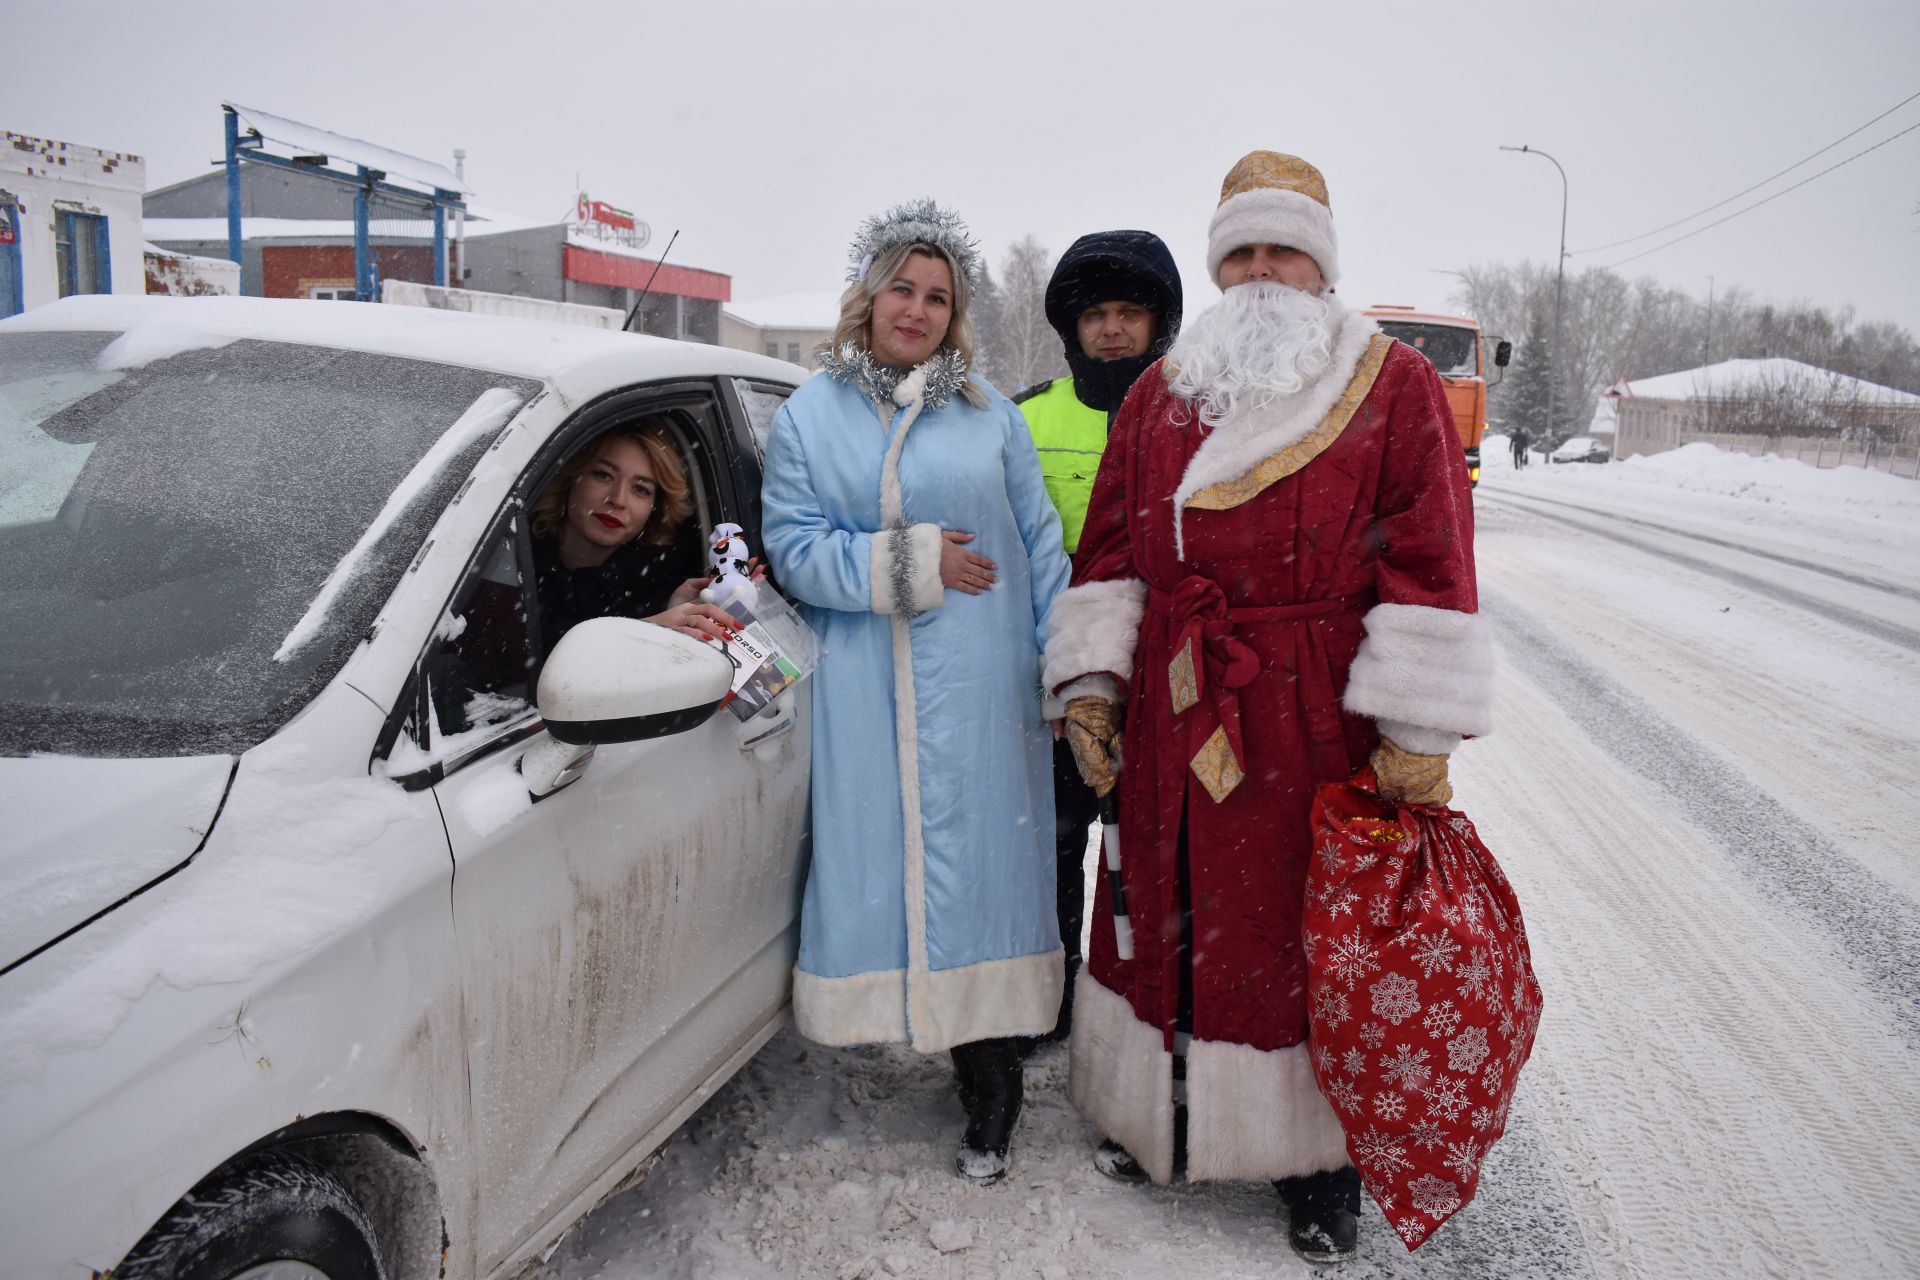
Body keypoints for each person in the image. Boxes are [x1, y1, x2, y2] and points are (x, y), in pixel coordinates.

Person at [1043, 152, 1493, 1262]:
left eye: (1281, 249)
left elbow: (1432, 564)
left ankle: (1314, 1160)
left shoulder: (1391, 387)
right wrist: (1096, 680)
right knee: (1163, 898)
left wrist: (1414, 736)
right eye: (1239, 251)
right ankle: (1158, 1105)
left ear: (1322, 265)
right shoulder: (1159, 391)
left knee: (1302, 932)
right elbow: (1109, 552)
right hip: (1174, 698)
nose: (1259, 272)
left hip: (1315, 706)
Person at [760, 198, 1073, 1185]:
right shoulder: (812, 414)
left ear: (956, 312)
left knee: (984, 874)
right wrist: (913, 561)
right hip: (866, 693)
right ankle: (902, 1022)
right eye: (903, 286)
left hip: (985, 695)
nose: (919, 307)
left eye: (938, 295)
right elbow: (795, 551)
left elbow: (1041, 547)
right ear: (868, 290)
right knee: (881, 869)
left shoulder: (991, 415)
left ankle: (993, 1074)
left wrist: (1064, 672)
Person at [1014, 230, 1182, 1044]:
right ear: (1071, 327)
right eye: (1096, 315)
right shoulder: (1024, 417)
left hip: (1159, 677)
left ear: (1160, 324)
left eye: (1129, 314)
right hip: (1054, 672)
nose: (1112, 330)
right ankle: (1052, 995)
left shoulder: (1195, 417)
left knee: (1148, 850)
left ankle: (1138, 1006)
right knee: (1053, 844)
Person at [528, 421, 741, 650]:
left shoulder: (654, 584)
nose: (617, 500)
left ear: (655, 509)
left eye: (640, 489)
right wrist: (643, 632)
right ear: (571, 476)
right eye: (603, 475)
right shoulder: (508, 554)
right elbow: (512, 657)